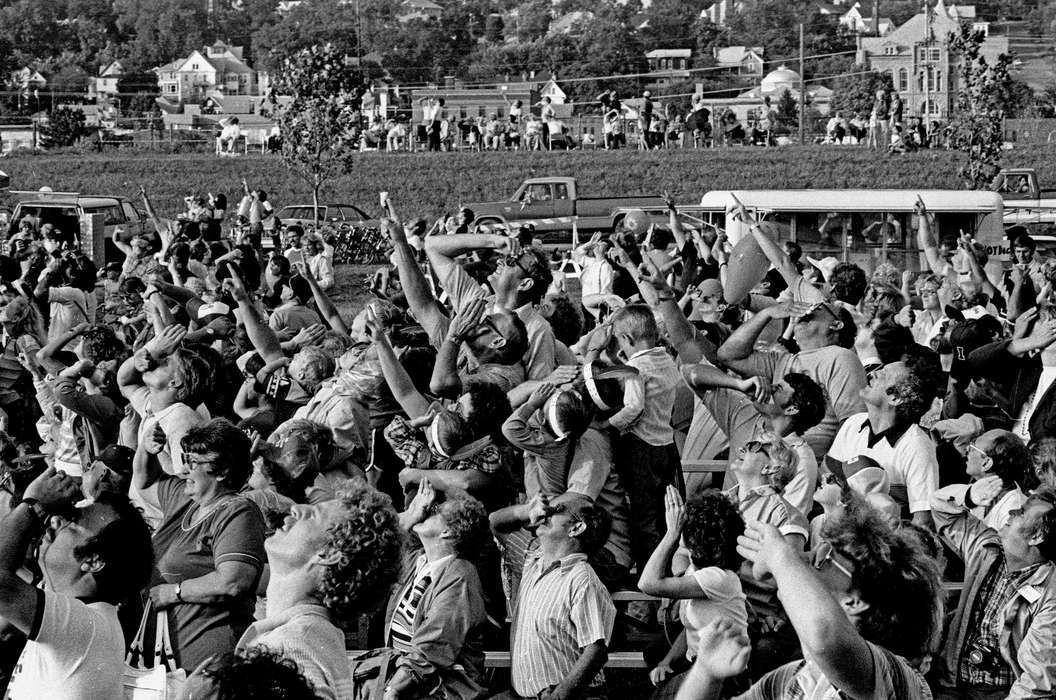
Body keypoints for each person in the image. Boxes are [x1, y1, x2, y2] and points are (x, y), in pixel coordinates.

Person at [674, 506, 944, 700]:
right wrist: (706, 675)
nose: (804, 562)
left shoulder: (903, 681)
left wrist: (781, 556)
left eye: (824, 557)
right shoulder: (790, 679)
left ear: (854, 601)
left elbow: (824, 636)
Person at [238, 478, 402, 700]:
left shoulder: (290, 647)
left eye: (313, 515)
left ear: (330, 554)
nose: (296, 509)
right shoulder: (314, 635)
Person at [0, 466, 152, 699]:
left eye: (73, 520)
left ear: (92, 561)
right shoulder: (88, 618)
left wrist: (34, 505)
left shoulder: (87, 625)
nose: (55, 520)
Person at [134, 418, 267, 671]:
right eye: (185, 459)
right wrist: (145, 449)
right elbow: (146, 482)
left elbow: (233, 582)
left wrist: (174, 592)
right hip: (169, 664)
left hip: (211, 665)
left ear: (223, 470)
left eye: (193, 462)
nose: (183, 470)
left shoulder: (238, 512)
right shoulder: (184, 499)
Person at [932, 480, 1056, 698]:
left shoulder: (1050, 595)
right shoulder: (987, 548)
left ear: (1037, 537)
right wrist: (969, 495)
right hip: (951, 683)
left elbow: (1036, 680)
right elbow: (938, 505)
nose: (1011, 510)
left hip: (1001, 693)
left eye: (1022, 512)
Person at [490, 492, 616, 700]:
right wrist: (526, 511)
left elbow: (596, 650)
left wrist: (560, 695)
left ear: (577, 528)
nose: (544, 512)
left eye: (556, 510)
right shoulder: (532, 558)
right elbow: (495, 523)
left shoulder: (582, 578)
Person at [381, 480, 490, 700]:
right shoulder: (416, 561)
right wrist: (412, 512)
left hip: (442, 693)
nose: (426, 511)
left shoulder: (460, 574)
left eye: (435, 511)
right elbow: (380, 538)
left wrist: (394, 689)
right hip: (410, 686)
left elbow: (432, 644)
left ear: (448, 531)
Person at [826, 347, 942, 526]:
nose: (872, 374)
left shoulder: (917, 446)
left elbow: (923, 521)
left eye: (883, 375)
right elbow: (829, 477)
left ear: (895, 398)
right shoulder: (853, 423)